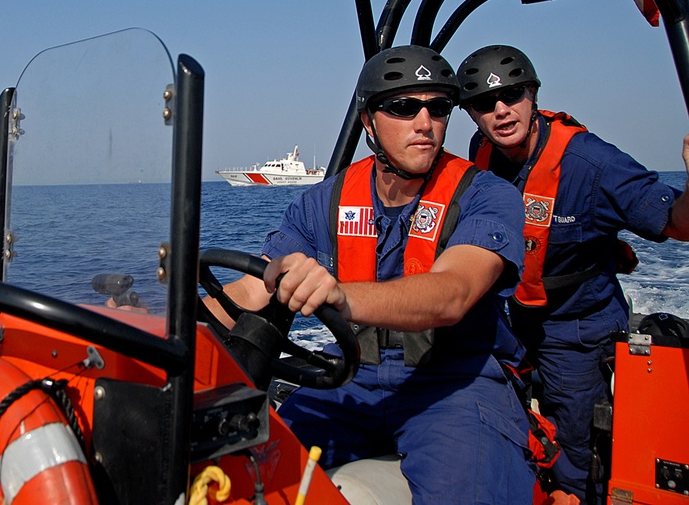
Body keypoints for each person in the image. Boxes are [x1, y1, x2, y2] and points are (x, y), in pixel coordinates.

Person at [206, 45, 535, 504]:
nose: (425, 123)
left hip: (454, 383)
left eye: (438, 108)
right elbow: (253, 286)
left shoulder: (486, 196)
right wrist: (165, 320)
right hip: (351, 378)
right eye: (403, 107)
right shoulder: (322, 202)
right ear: (368, 122)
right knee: (238, 471)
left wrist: (340, 295)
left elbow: (452, 293)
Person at [456, 44, 689, 504]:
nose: (501, 111)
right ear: (471, 114)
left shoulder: (592, 163)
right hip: (508, 316)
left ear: (533, 94)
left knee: (573, 454)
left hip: (576, 329)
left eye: (513, 95)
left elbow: (678, 224)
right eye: (484, 103)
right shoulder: (481, 153)